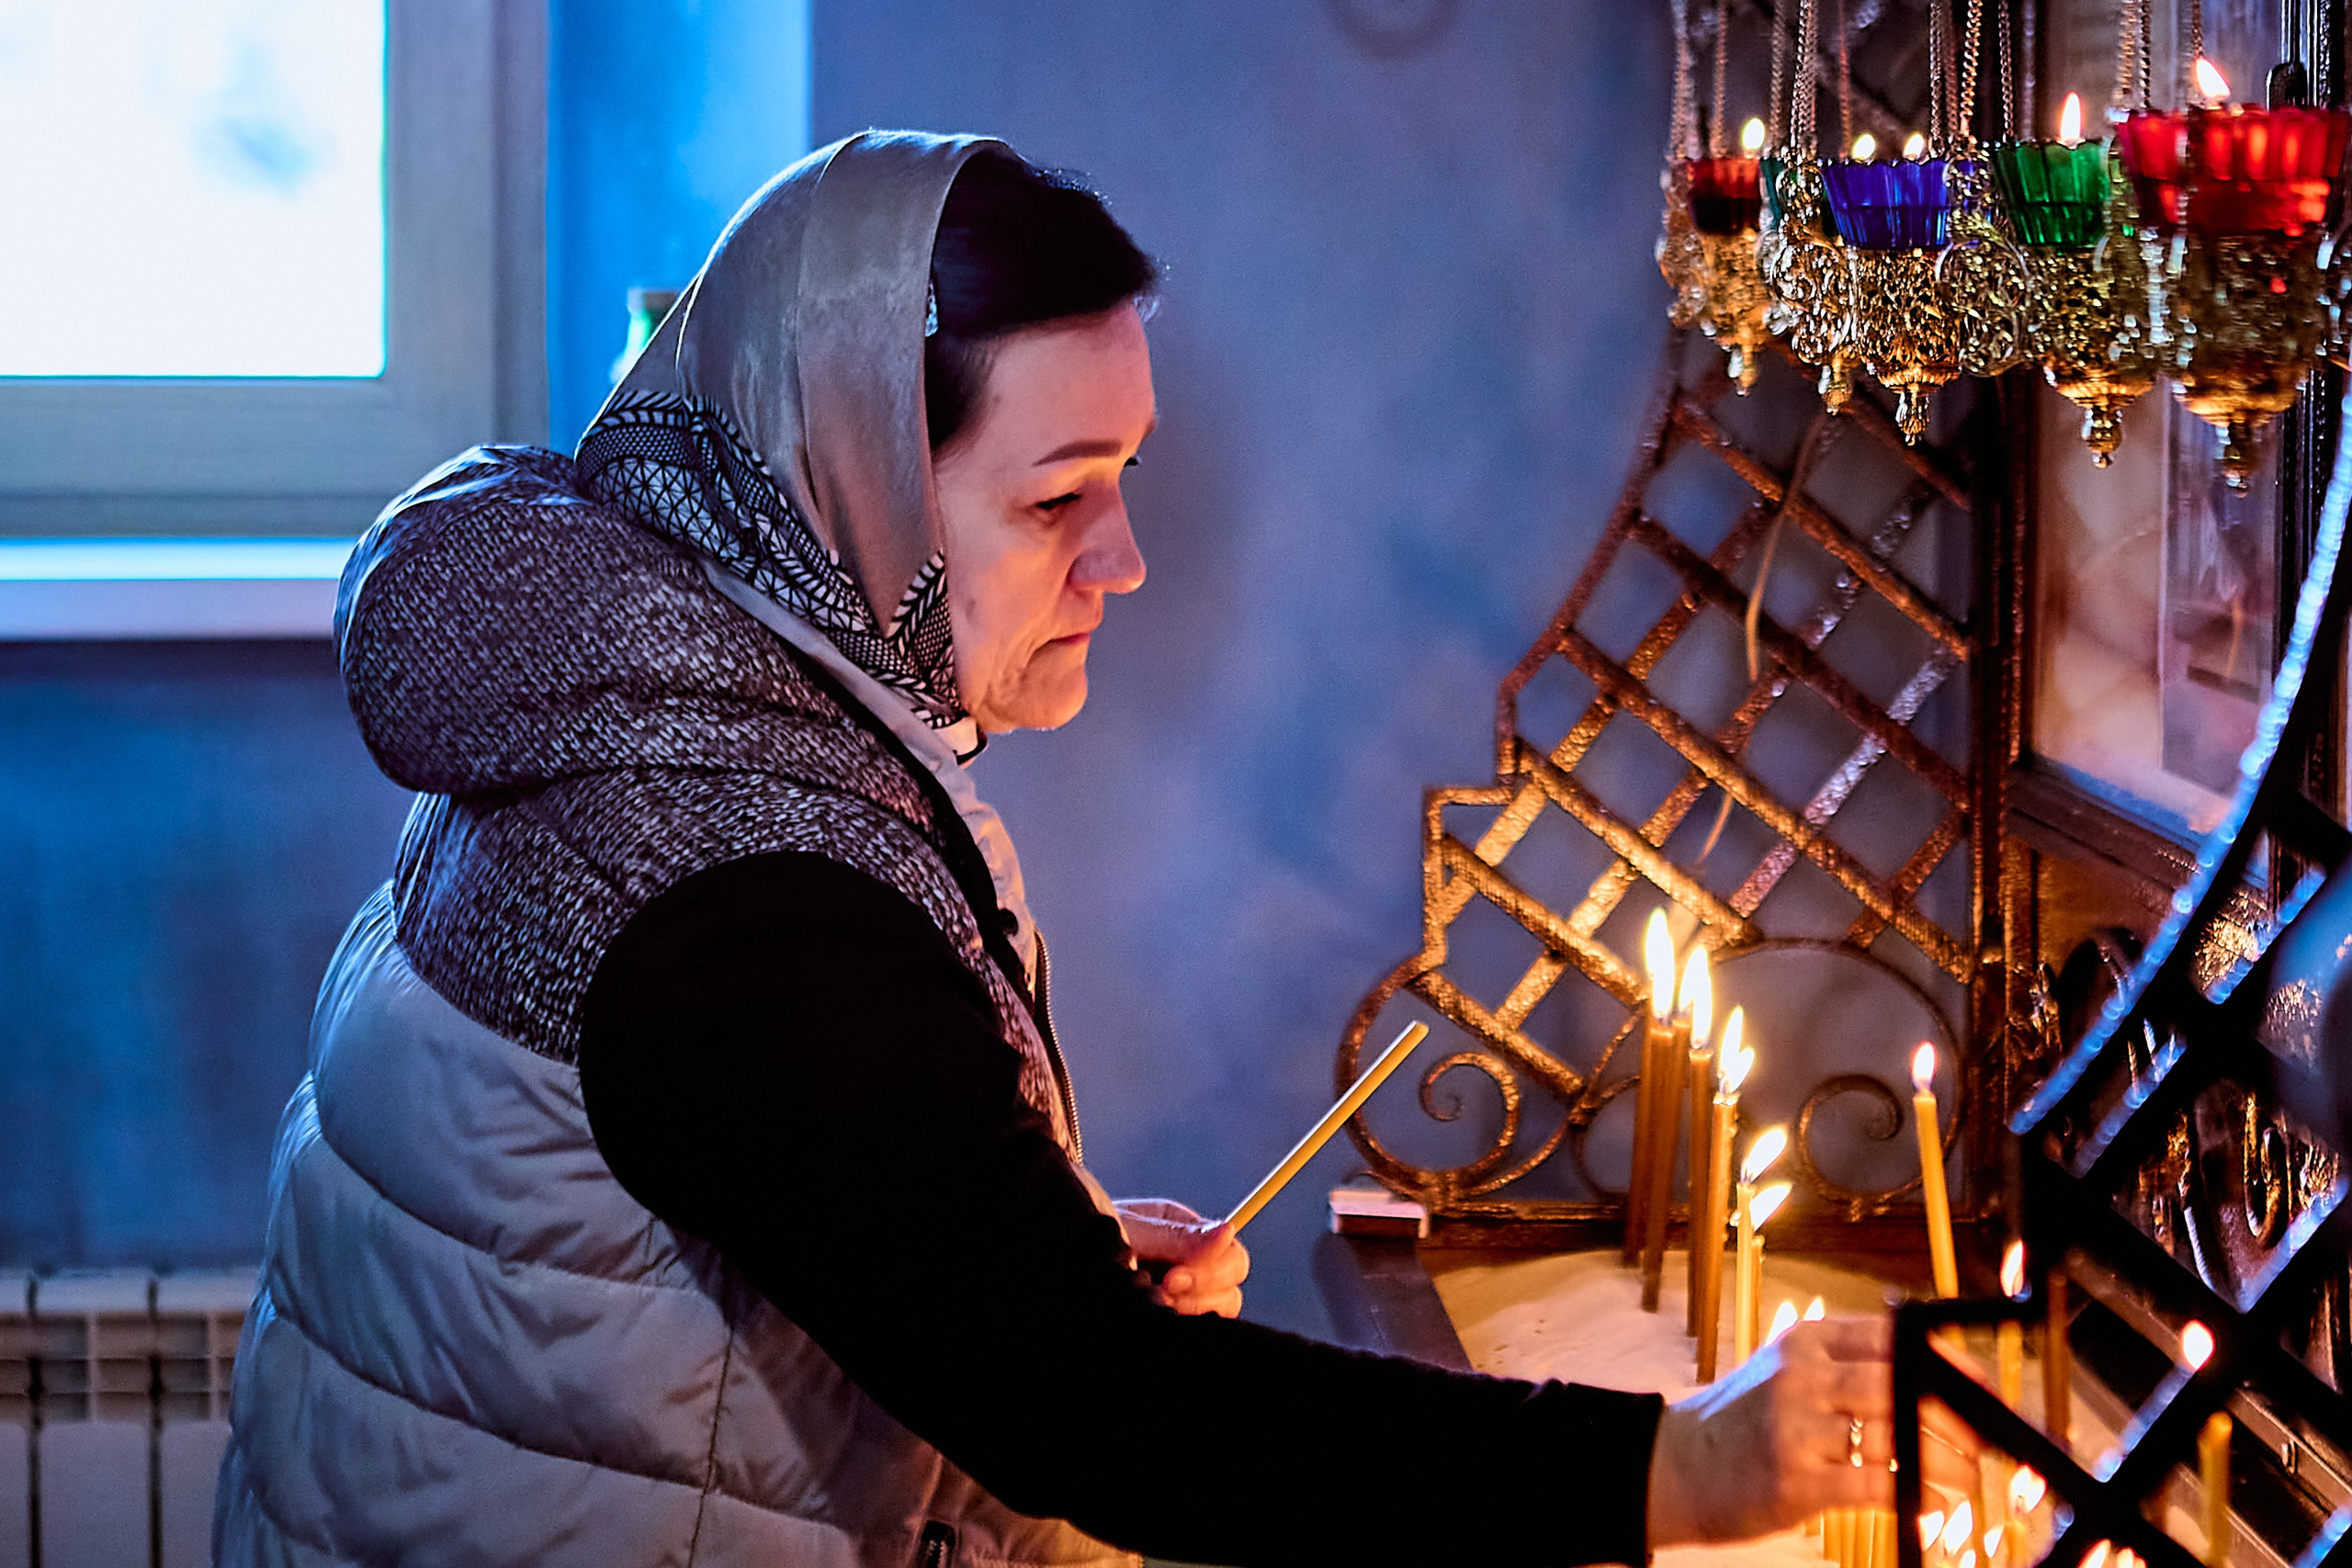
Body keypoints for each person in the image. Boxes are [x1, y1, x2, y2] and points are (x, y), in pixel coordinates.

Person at [214, 130, 1954, 1568]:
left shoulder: (651, 698)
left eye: (1124, 475)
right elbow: (1104, 1420)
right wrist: (1687, 1474)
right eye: (1059, 497)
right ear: (855, 487)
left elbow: (728, 1195)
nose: (1122, 559)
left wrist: (989, 1235)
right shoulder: (743, 887)